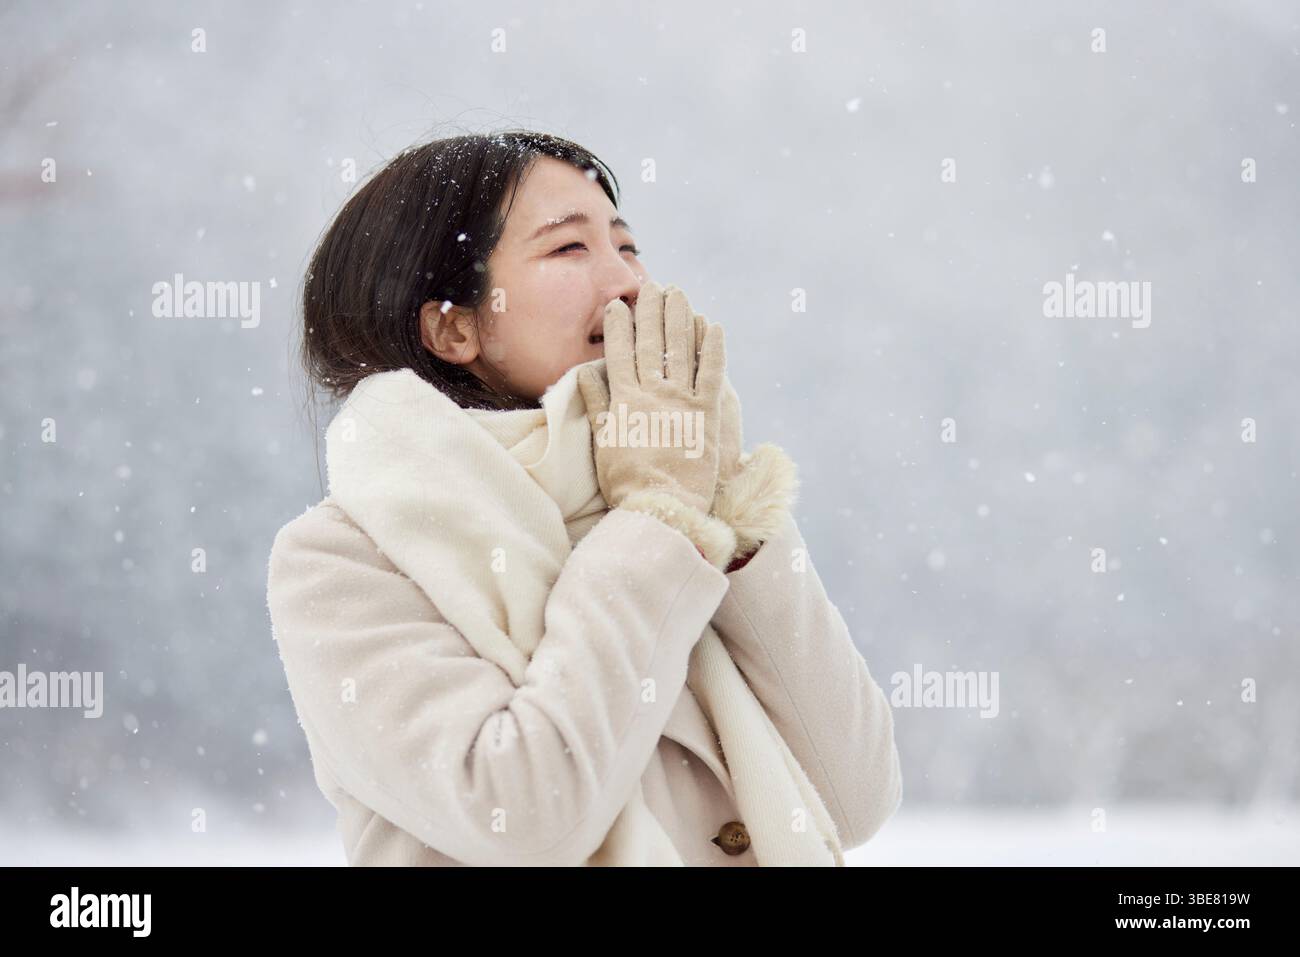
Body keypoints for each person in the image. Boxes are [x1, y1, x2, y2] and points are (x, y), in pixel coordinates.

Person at [266, 130, 901, 866]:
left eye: (627, 247)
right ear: (454, 325)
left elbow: (854, 796)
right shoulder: (341, 561)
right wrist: (657, 515)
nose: (629, 283)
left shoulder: (674, 523)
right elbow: (527, 816)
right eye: (570, 249)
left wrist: (720, 498)